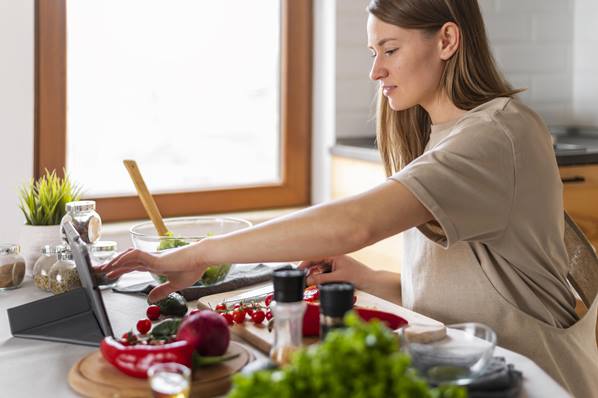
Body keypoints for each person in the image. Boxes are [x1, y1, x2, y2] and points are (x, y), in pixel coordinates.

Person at [101, 0, 598, 395]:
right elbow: (470, 293)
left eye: (390, 49)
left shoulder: (497, 134)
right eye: (372, 52)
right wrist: (368, 278)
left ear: (447, 39)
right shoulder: (442, 135)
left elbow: (354, 224)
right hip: (465, 370)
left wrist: (197, 254)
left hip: (534, 380)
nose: (375, 70)